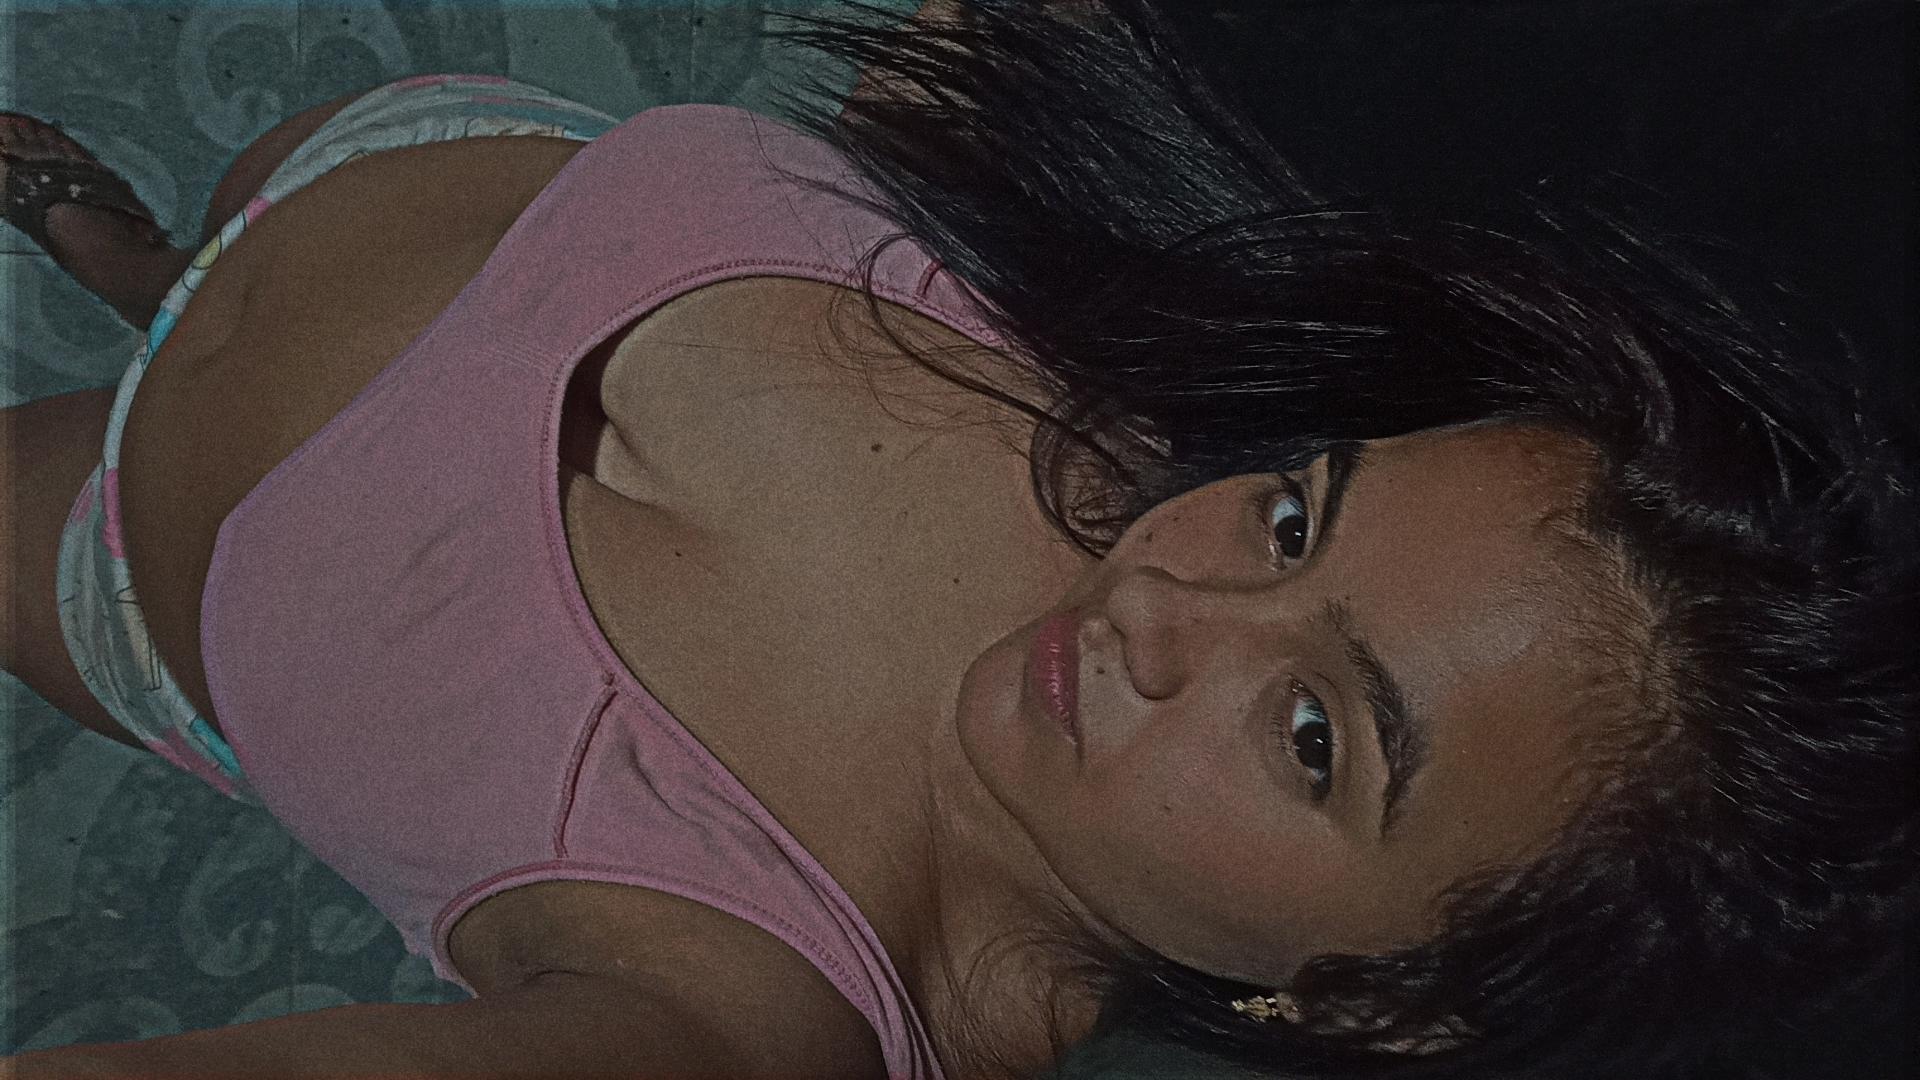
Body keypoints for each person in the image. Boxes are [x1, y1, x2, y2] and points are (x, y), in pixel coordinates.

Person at [3, 1, 1913, 1077]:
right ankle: (144, 266)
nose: (1170, 601)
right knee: (213, 248)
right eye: (1295, 512)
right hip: (374, 171)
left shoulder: (748, 1020)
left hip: (127, 563)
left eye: (1313, 734)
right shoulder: (1149, 370)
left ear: (1373, 998)